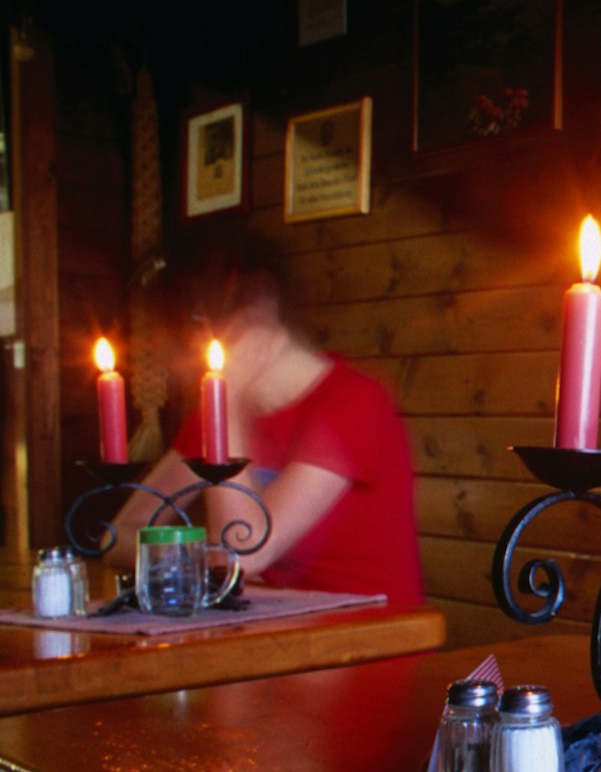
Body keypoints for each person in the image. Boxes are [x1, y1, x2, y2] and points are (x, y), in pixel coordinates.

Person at [109, 242, 424, 608]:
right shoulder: (216, 415)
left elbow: (243, 554)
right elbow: (118, 535)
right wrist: (203, 558)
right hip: (271, 634)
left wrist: (225, 393)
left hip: (371, 641)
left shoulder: (354, 400)